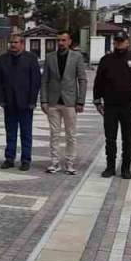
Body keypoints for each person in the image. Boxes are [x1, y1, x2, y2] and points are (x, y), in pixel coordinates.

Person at [93, 31, 131, 179]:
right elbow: (98, 82)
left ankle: (125, 168)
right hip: (110, 106)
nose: (119, 43)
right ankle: (110, 166)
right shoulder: (106, 60)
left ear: (127, 42)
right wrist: (97, 100)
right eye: (116, 41)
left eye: (121, 41)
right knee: (110, 139)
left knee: (127, 139)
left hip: (128, 105)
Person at [40, 31, 88, 175]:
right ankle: (55, 163)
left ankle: (70, 163)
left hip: (70, 102)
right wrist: (43, 100)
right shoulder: (50, 57)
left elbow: (82, 79)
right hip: (53, 102)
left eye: (63, 40)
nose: (60, 43)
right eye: (58, 40)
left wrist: (81, 101)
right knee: (54, 134)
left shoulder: (77, 57)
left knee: (71, 134)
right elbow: (44, 81)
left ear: (69, 41)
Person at [0, 33, 41, 171]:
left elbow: (36, 81)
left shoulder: (31, 58)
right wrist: (1, 99)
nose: (13, 45)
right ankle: (9, 158)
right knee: (10, 132)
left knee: (26, 133)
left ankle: (26, 159)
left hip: (26, 103)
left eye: (15, 42)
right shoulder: (2, 59)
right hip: (9, 102)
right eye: (11, 42)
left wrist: (33, 100)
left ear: (22, 44)